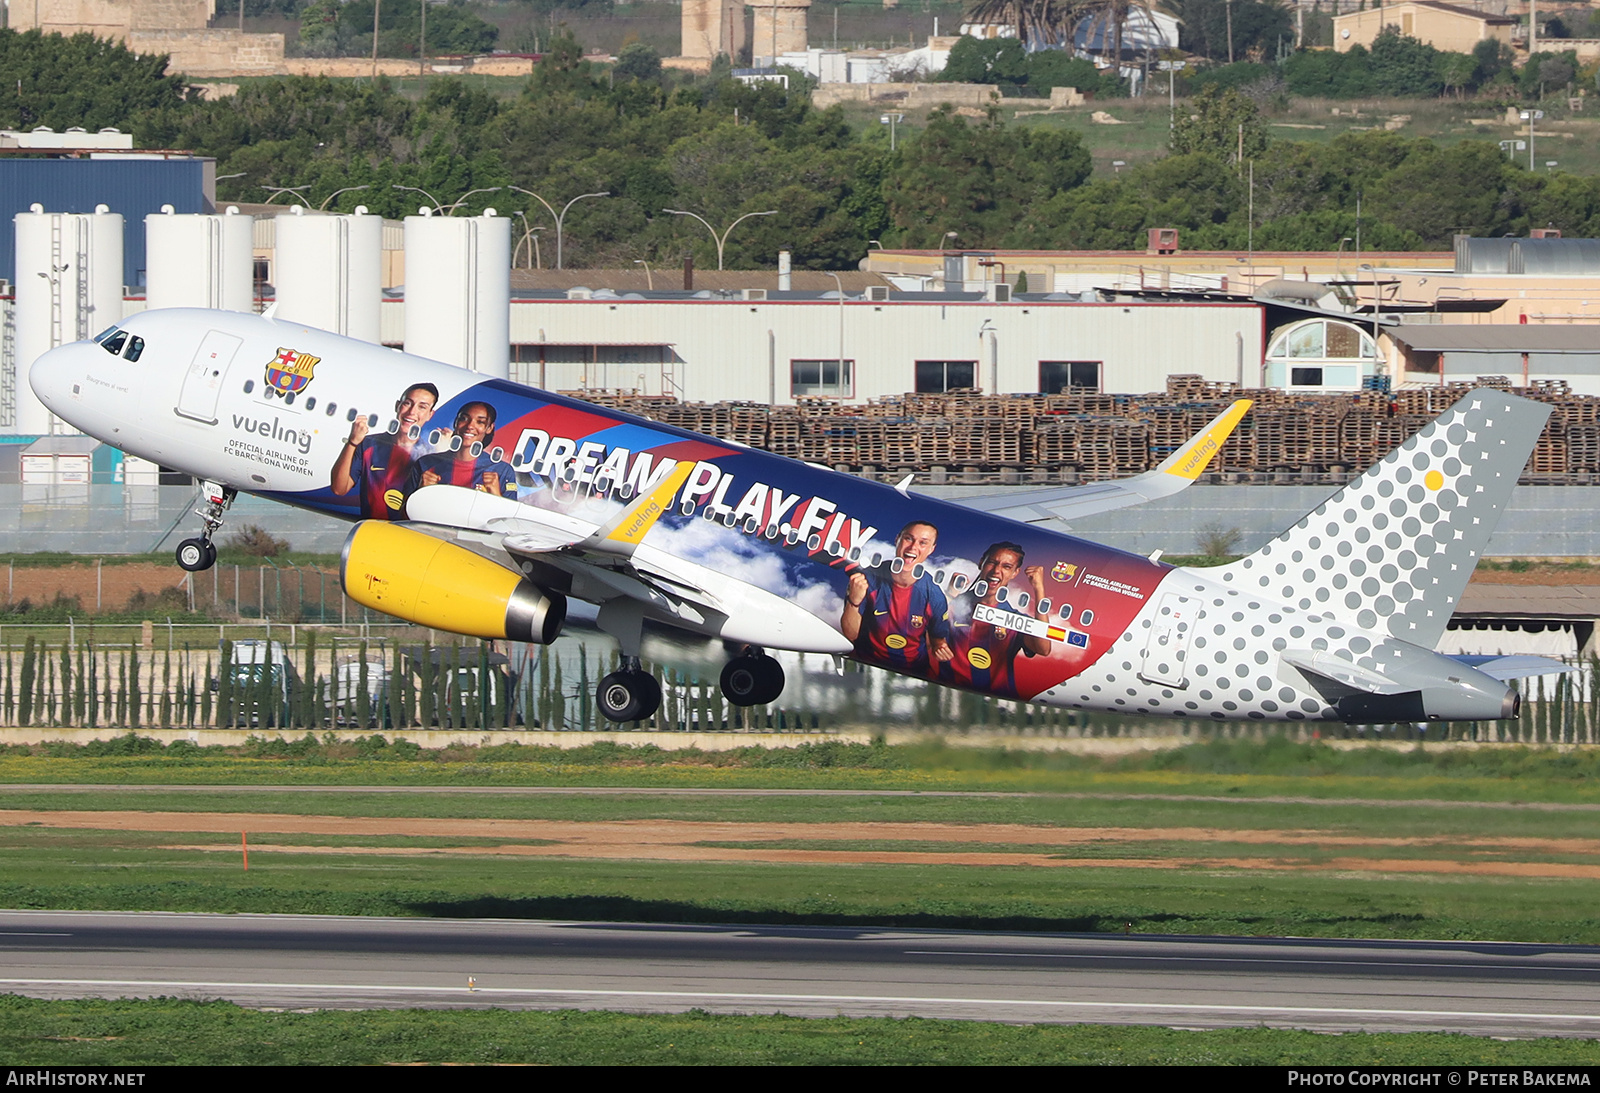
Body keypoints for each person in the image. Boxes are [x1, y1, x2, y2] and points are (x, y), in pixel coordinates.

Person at [941, 541, 1052, 697]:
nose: (996, 571)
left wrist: (1039, 589)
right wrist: (949, 595)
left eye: (1006, 567)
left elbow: (1043, 648)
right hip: (949, 693)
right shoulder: (955, 603)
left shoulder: (1013, 619)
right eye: (992, 563)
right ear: (981, 563)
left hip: (993, 699)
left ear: (1015, 573)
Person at [841, 520, 952, 673]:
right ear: (897, 539)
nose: (913, 547)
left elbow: (937, 641)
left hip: (914, 672)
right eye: (908, 538)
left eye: (923, 543)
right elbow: (850, 634)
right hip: (867, 667)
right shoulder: (867, 579)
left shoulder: (934, 595)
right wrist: (853, 602)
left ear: (931, 549)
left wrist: (941, 648)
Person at [329, 382, 439, 519]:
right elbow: (339, 488)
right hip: (370, 532)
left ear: (430, 415)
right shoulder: (369, 444)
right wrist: (352, 443)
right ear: (397, 406)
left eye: (422, 407)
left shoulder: (430, 459)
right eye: (407, 403)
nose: (412, 412)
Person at [407, 400, 514, 497]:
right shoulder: (426, 463)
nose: (470, 426)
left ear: (489, 428)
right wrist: (421, 492)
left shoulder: (502, 471)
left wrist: (496, 495)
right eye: (464, 419)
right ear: (456, 423)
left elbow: (509, 518)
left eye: (480, 422)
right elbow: (402, 516)